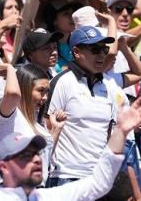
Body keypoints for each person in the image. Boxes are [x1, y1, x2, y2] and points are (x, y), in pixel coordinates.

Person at [0, 86, 141, 200]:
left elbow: (99, 183)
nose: (36, 160)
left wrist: (121, 131)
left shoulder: (49, 196)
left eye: (36, 154)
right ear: (3, 167)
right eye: (25, 156)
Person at [45, 25, 116, 186]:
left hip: (97, 178)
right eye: (95, 49)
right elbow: (48, 127)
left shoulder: (107, 86)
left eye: (104, 50)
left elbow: (109, 133)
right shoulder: (62, 82)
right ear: (76, 52)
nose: (101, 55)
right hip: (66, 175)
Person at [0, 63, 66, 184]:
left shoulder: (37, 122)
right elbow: (12, 93)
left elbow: (44, 156)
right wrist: (10, 69)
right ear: (24, 88)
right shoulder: (10, 114)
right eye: (41, 91)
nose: (45, 97)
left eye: (47, 92)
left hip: (35, 191)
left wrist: (56, 130)